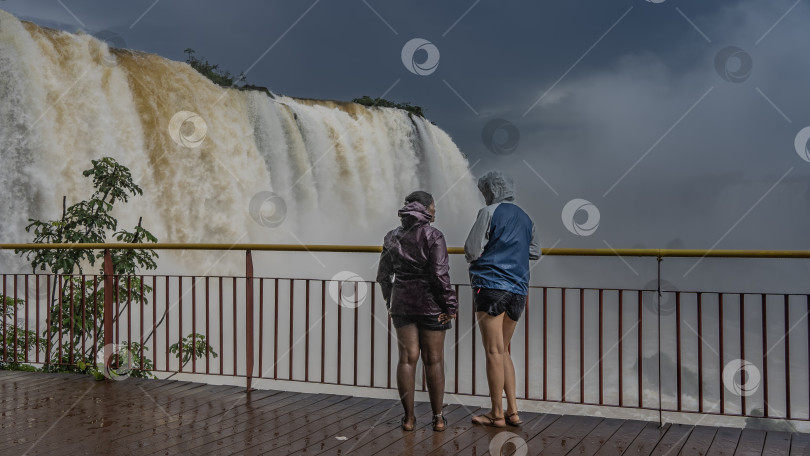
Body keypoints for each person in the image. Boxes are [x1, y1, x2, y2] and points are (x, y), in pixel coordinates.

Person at [377, 191, 458, 432]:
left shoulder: (392, 236)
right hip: (431, 305)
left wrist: (389, 300)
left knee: (407, 359)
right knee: (433, 360)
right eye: (433, 207)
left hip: (402, 303)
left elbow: (383, 276)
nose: (435, 211)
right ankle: (439, 418)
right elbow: (439, 276)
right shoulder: (434, 236)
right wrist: (450, 306)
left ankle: (409, 419)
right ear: (424, 209)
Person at [464, 171, 541, 427]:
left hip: (491, 286)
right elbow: (535, 251)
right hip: (519, 289)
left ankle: (496, 414)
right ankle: (513, 411)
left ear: (492, 189)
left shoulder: (489, 212)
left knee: (493, 351)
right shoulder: (526, 217)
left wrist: (491, 256)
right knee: (504, 350)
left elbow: (472, 250)